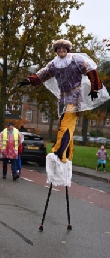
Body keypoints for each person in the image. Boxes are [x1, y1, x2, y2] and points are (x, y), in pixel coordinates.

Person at [18, 39, 109, 182]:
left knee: (65, 124)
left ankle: (59, 151)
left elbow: (91, 71)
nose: (61, 50)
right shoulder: (54, 64)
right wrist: (29, 80)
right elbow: (42, 74)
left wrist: (94, 88)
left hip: (75, 97)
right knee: (68, 126)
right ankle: (68, 154)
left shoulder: (76, 60)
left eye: (63, 48)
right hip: (63, 98)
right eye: (59, 48)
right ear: (56, 51)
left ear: (67, 49)